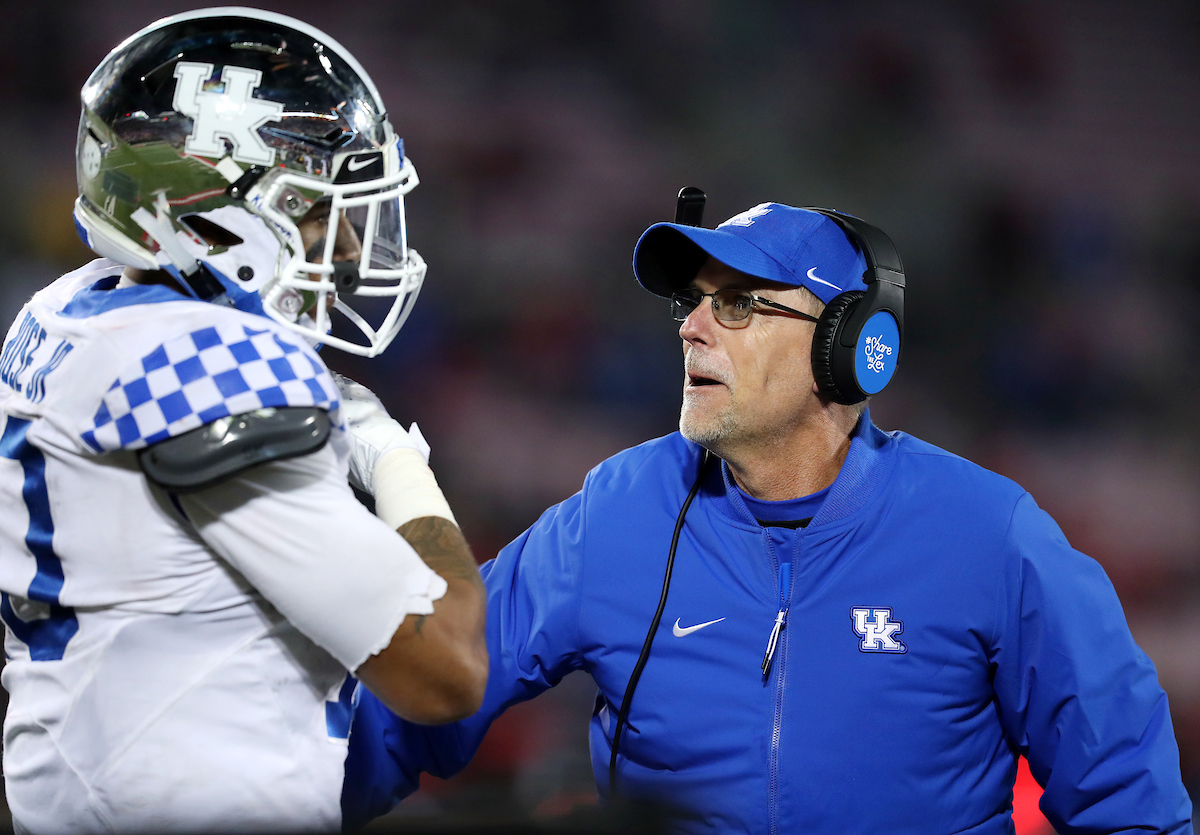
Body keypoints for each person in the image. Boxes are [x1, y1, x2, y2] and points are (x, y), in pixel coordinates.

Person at [343, 200, 1193, 834]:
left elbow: (1128, 797)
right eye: (692, 303)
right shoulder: (618, 510)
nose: (694, 328)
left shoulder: (987, 533)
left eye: (740, 303)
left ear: (853, 347)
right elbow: (415, 707)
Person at [0, 9, 486, 833]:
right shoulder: (207, 368)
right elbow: (446, 671)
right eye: (310, 210)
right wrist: (400, 468)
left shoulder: (67, 310)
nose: (338, 250)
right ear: (211, 216)